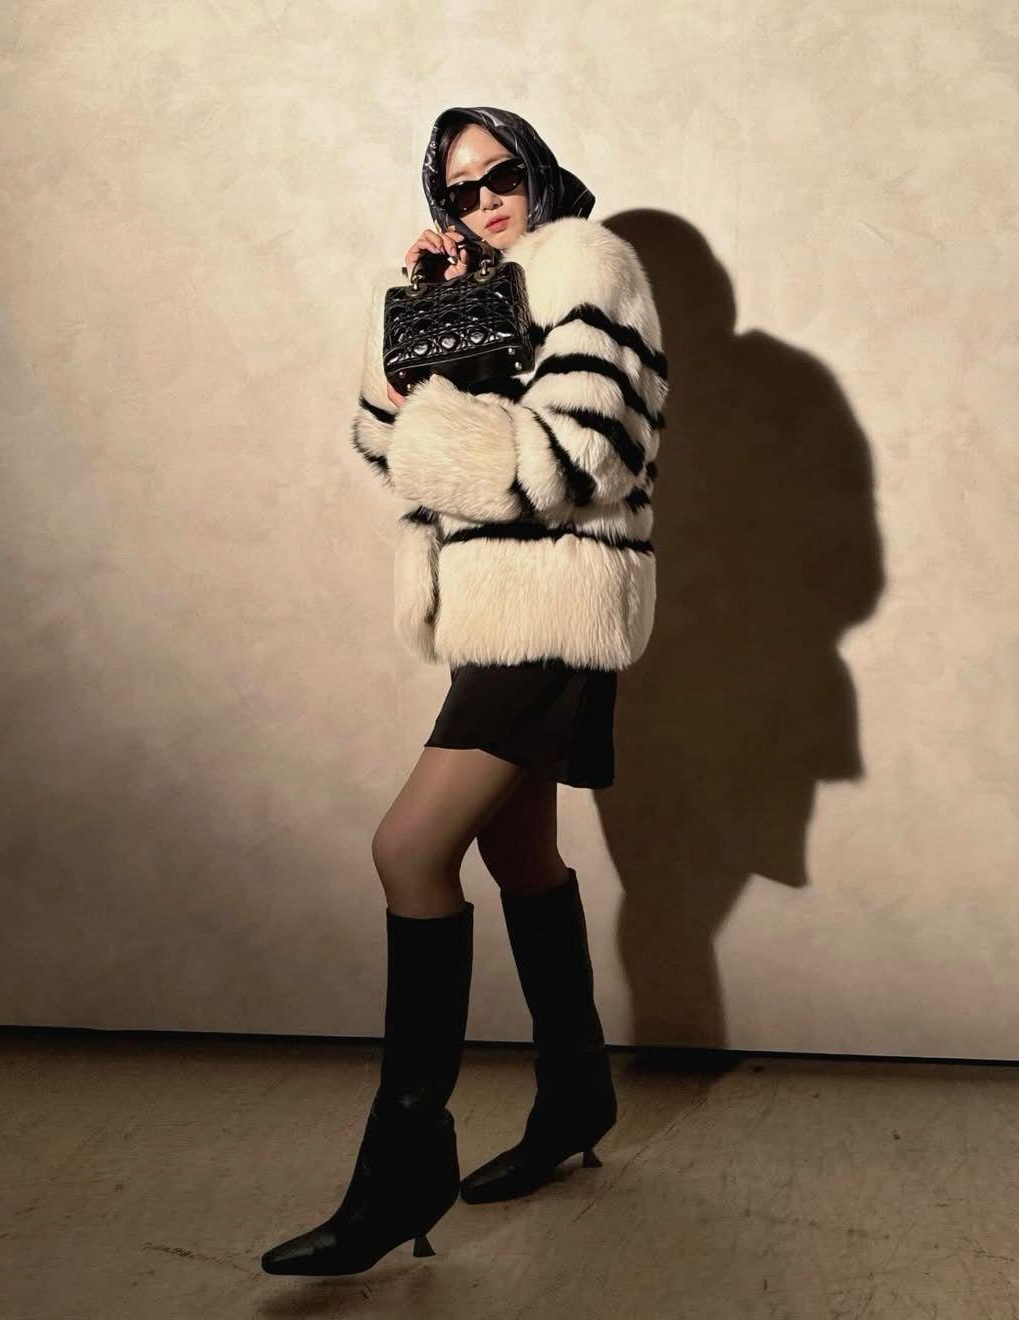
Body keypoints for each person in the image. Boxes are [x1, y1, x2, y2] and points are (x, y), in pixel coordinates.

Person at [261, 105, 668, 1277]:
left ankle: (404, 1165)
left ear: (539, 172)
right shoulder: (490, 287)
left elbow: (577, 460)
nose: (483, 201)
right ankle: (576, 1096)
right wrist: (423, 320)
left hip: (555, 608)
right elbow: (376, 437)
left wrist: (439, 414)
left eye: (500, 177)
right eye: (458, 190)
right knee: (516, 854)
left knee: (408, 849)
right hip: (494, 617)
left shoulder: (586, 264)